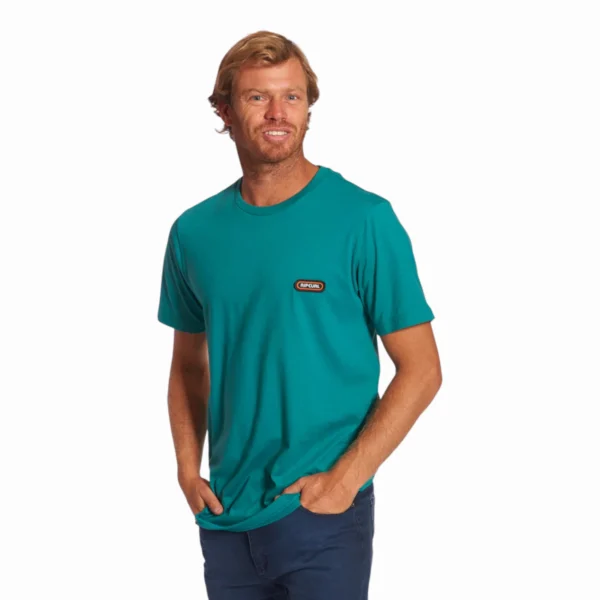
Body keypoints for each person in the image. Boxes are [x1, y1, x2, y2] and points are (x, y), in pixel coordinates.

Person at [157, 29, 442, 600]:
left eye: (291, 96)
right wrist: (188, 470)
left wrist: (345, 480)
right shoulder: (194, 232)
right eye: (257, 97)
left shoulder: (364, 219)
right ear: (224, 110)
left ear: (309, 106)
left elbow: (422, 370)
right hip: (226, 516)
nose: (277, 112)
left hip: (324, 515)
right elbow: (189, 366)